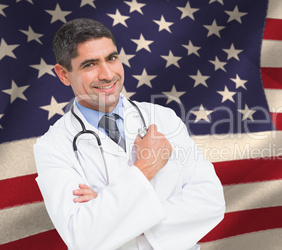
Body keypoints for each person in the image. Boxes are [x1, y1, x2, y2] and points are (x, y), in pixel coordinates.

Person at [33, 18, 225, 250]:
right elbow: (82, 237)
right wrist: (146, 167)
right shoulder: (52, 147)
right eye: (90, 65)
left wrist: (115, 216)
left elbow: (211, 202)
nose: (107, 74)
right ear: (63, 74)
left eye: (112, 58)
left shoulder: (163, 118)